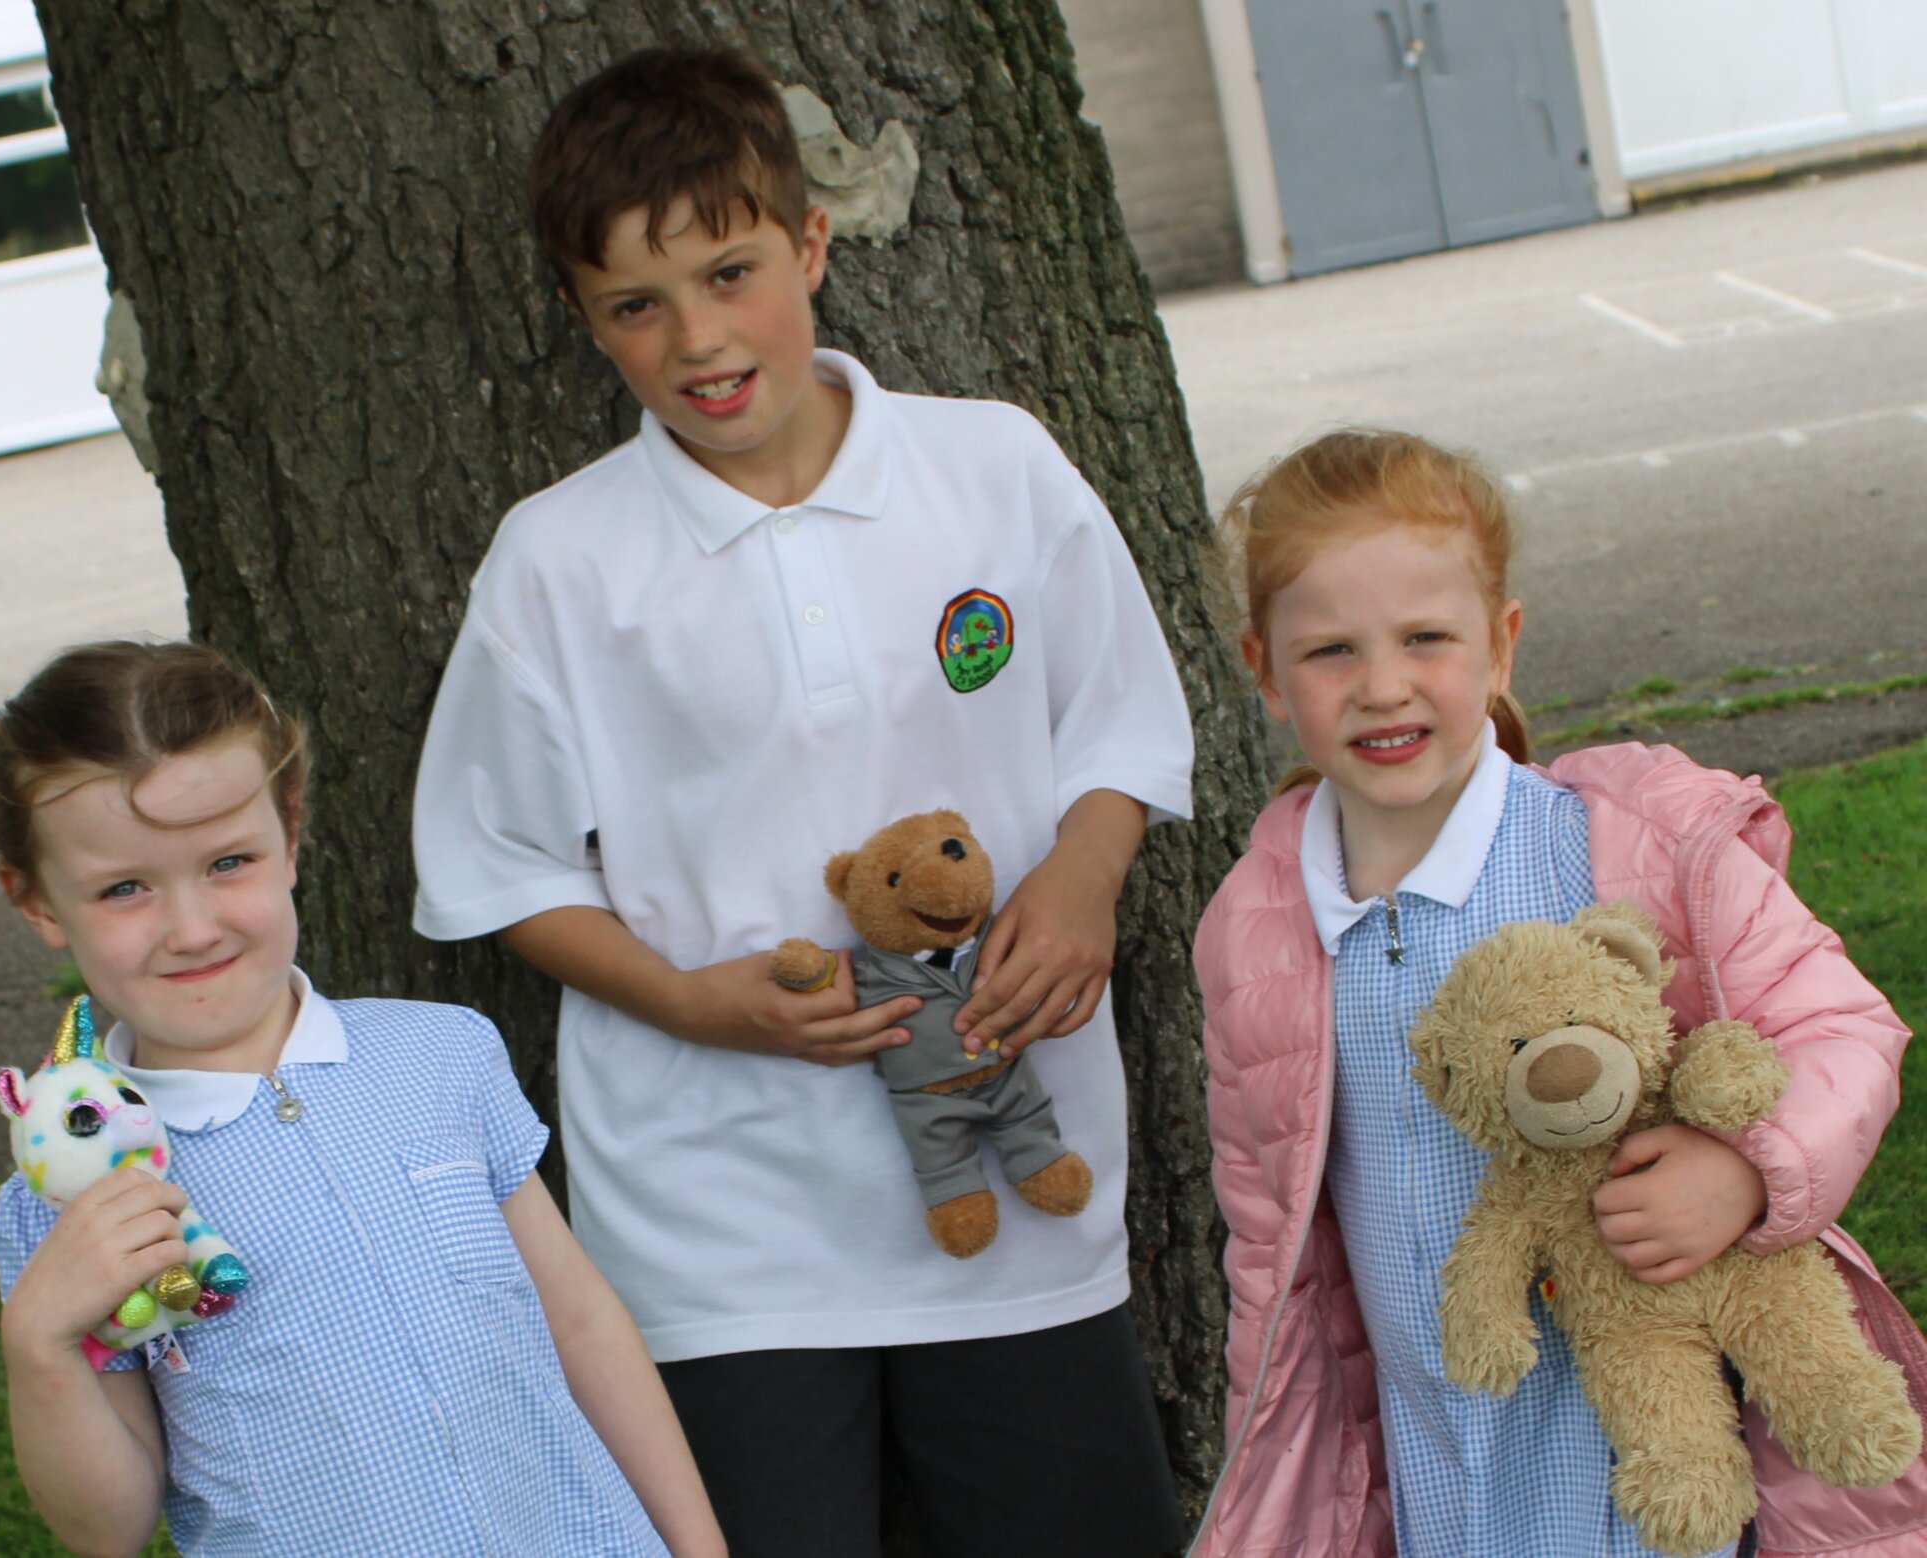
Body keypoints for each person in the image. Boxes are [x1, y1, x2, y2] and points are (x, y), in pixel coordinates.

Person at [409, 46, 1195, 1558]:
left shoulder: (994, 467)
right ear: (584, 318)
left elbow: (1122, 721)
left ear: (813, 244)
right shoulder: (560, 562)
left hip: (1013, 1196)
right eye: (637, 304)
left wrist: (1084, 877)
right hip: (722, 1234)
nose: (699, 336)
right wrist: (693, 1002)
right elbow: (494, 862)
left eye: (731, 270)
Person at [1190, 429, 1926, 1556]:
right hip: (1439, 1438)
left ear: (1499, 643)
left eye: (1424, 638)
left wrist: (1743, 1169)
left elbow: (1839, 1027)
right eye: (1330, 650)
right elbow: (1268, 1243)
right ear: (1262, 671)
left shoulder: (1630, 846)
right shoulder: (1257, 925)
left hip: (1640, 1412)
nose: (1381, 685)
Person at [0, 640, 723, 1558]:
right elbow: (109, 1531)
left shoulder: (442, 1051)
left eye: (228, 863)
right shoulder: (62, 1199)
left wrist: (697, 1545)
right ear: (39, 903)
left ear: (289, 833)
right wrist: (40, 1349)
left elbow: (581, 1323)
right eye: (124, 887)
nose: (194, 926)